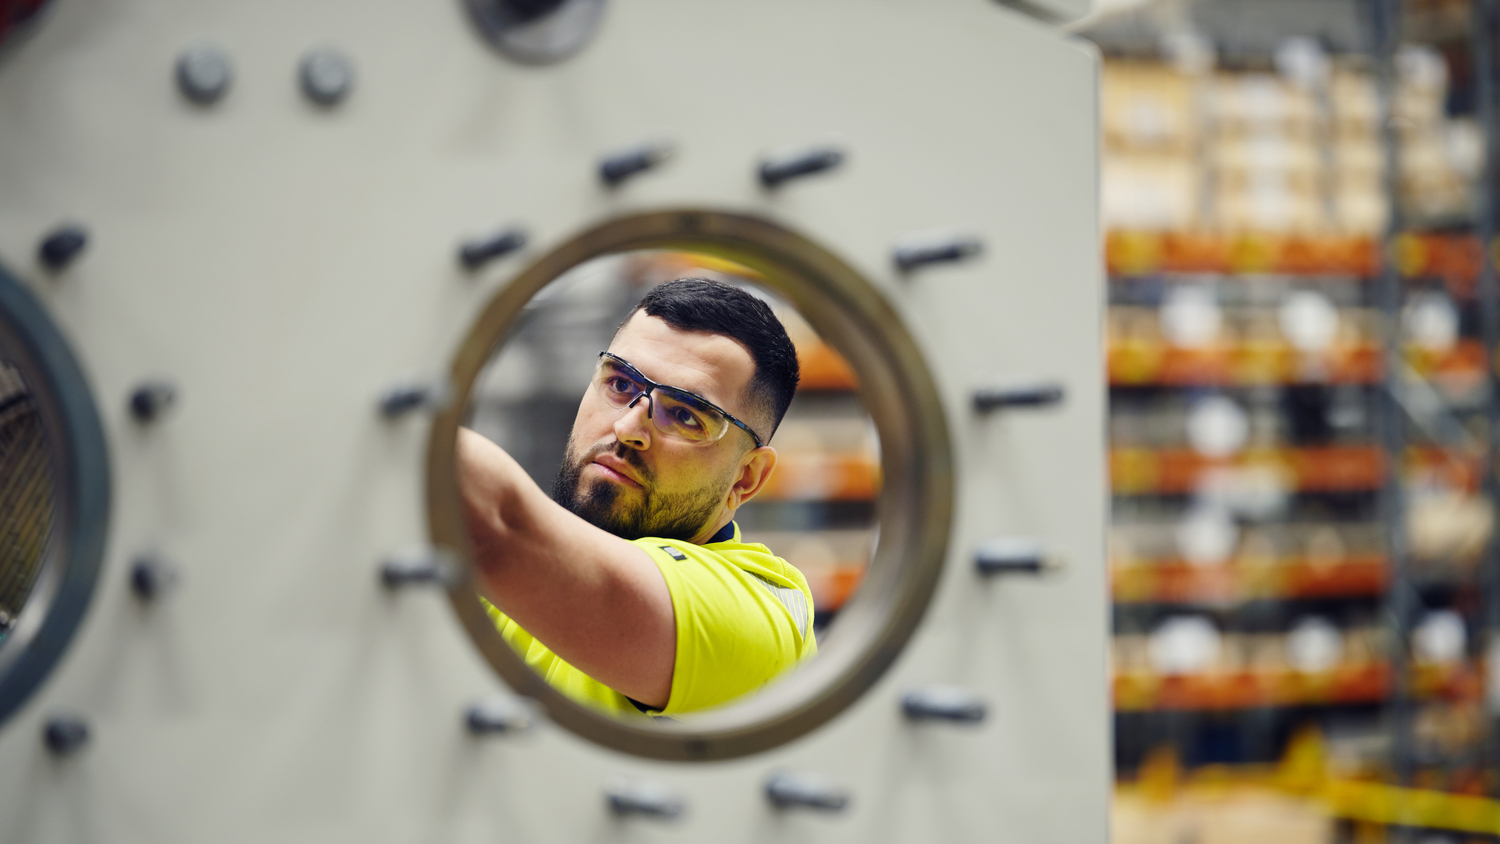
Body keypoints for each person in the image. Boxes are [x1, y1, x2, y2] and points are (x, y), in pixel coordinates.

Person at [457, 277, 816, 718]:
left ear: (746, 478)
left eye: (684, 415)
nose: (628, 429)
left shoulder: (762, 617)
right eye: (621, 385)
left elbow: (498, 526)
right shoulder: (520, 572)